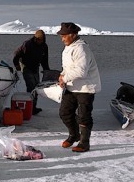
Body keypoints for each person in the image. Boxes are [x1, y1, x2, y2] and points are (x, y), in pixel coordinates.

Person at [57, 22, 101, 152]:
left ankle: (84, 143)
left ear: (73, 35)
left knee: (84, 116)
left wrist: (64, 78)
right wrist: (62, 75)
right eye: (61, 35)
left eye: (64, 35)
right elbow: (68, 67)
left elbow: (81, 71)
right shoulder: (68, 48)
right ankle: (74, 134)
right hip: (71, 87)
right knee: (64, 113)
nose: (62, 38)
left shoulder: (81, 48)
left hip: (85, 88)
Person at [13, 30, 50, 115]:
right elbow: (16, 55)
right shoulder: (27, 44)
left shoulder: (44, 46)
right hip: (26, 67)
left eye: (42, 39)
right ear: (36, 38)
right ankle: (29, 108)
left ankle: (33, 107)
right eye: (39, 39)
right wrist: (17, 66)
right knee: (31, 87)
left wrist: (47, 71)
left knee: (37, 87)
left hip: (35, 68)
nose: (41, 41)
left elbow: (44, 60)